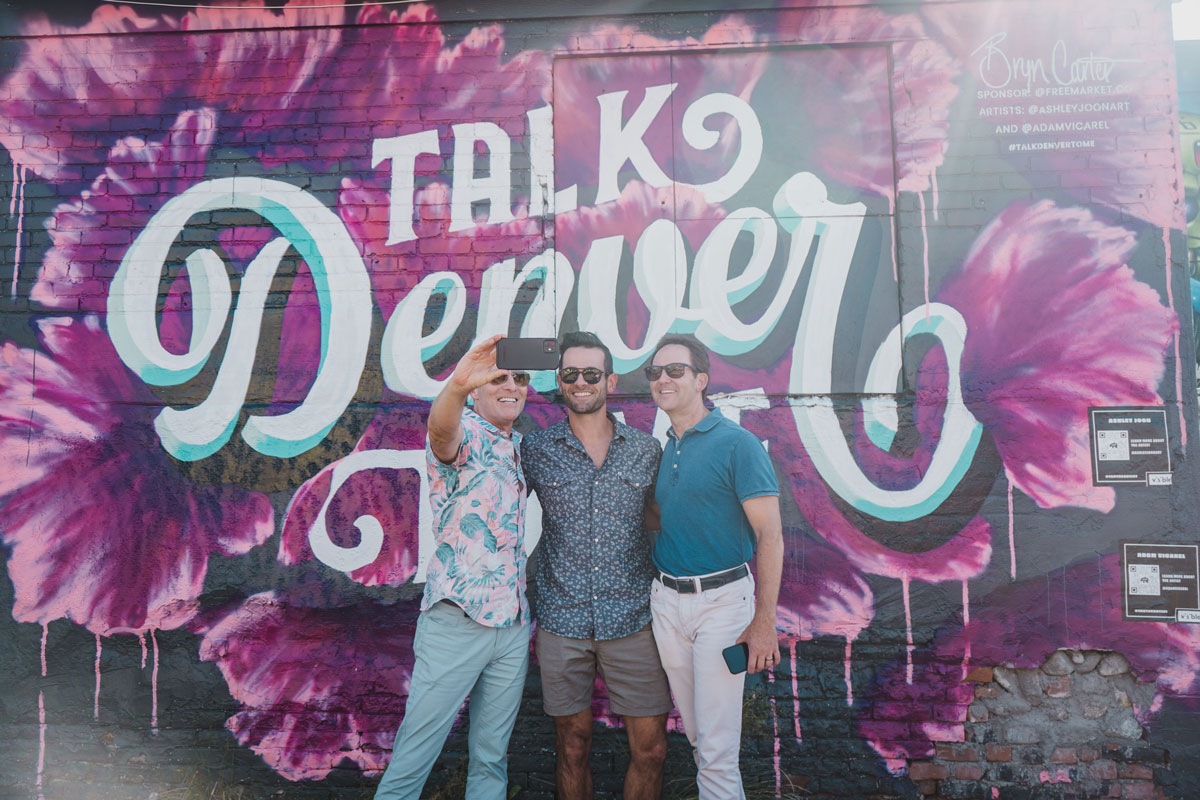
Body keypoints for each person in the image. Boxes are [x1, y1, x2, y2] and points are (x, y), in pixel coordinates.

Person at [375, 334, 532, 800]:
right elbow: (441, 433)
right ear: (477, 391)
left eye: (519, 378)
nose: (511, 386)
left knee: (491, 759)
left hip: (511, 624)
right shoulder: (464, 433)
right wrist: (457, 386)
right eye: (498, 378)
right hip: (457, 621)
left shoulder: (518, 445)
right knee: (414, 756)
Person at [521, 331, 671, 800]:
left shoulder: (645, 450)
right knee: (572, 746)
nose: (581, 382)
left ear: (611, 380)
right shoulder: (536, 450)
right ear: (559, 381)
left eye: (591, 373)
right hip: (562, 621)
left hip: (633, 620)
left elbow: (665, 518)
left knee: (651, 749)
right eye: (571, 373)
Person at [644, 333, 784, 800]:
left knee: (717, 749)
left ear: (701, 380)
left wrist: (763, 623)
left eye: (675, 370)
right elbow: (665, 516)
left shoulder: (738, 445)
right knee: (699, 739)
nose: (663, 379)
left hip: (723, 605)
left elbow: (770, 536)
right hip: (666, 604)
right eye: (655, 372)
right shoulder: (665, 449)